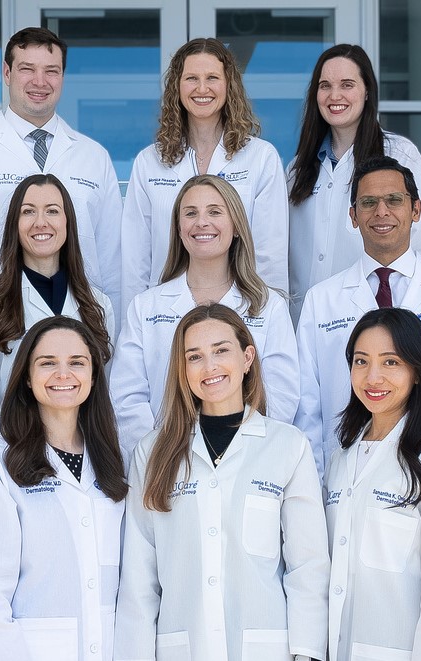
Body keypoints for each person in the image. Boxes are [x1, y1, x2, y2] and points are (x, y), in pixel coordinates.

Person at [114, 304, 329, 661]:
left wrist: (306, 653)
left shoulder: (288, 446)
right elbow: (139, 580)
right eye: (194, 356)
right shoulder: (152, 453)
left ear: (247, 358)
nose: (210, 367)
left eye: (221, 351)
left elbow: (308, 566)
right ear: (183, 370)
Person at [295, 156, 421, 477]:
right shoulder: (321, 301)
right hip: (343, 477)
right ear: (353, 216)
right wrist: (317, 488)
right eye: (368, 203)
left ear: (416, 210)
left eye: (394, 200)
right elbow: (307, 411)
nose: (381, 212)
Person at [0, 27, 123, 318]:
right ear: (7, 73)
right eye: (27, 69)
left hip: (78, 326)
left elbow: (112, 262)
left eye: (51, 71)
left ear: (63, 77)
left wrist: (109, 348)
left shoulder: (94, 158)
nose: (40, 82)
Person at [0, 316, 127, 660]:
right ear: (26, 376)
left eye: (77, 363)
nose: (63, 374)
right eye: (47, 363)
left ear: (94, 375)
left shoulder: (118, 463)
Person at [111, 175, 298, 456]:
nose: (201, 222)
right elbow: (127, 399)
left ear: (236, 226)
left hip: (248, 460)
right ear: (178, 228)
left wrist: (239, 455)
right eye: (190, 213)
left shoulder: (269, 306)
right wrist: (161, 456)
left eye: (214, 211)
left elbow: (280, 396)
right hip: (167, 462)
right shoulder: (145, 307)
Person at [324, 308, 421, 661]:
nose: (373, 377)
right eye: (361, 361)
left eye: (390, 362)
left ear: (417, 372)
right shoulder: (340, 459)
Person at [121, 37, 289, 312]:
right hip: (164, 312)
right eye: (191, 78)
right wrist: (135, 324)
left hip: (238, 312)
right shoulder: (149, 162)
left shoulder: (261, 158)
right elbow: (135, 260)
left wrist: (264, 322)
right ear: (177, 85)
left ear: (228, 85)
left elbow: (270, 257)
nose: (202, 89)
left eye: (212, 77)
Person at [0, 173, 113, 458]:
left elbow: (105, 394)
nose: (41, 222)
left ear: (67, 223)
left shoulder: (97, 305)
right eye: (28, 212)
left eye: (52, 211)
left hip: (85, 458)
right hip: (15, 460)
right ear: (15, 224)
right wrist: (1, 468)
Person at [288, 44, 421, 320]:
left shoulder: (400, 154)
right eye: (325, 85)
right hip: (306, 321)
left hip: (376, 319)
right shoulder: (297, 170)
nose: (335, 96)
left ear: (367, 91)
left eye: (347, 84)